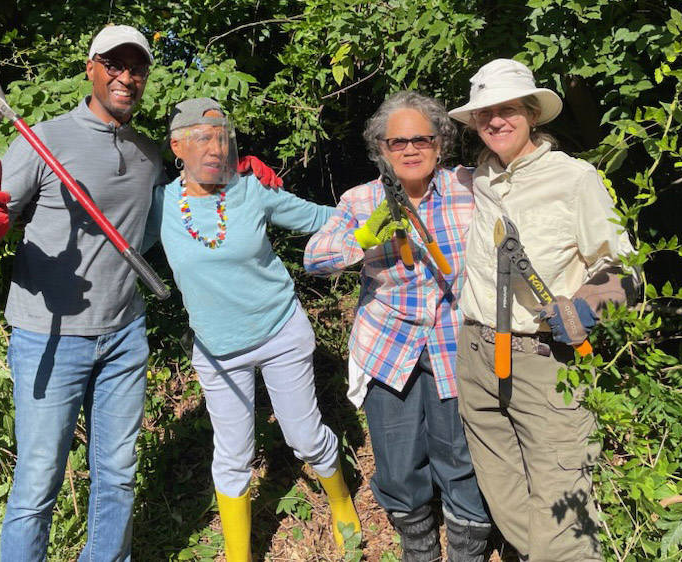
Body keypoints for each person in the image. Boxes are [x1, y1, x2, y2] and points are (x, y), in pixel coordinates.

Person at [0, 26, 278, 562]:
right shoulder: (41, 139)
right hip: (48, 336)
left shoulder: (149, 154)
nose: (126, 76)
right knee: (37, 485)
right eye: (114, 64)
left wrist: (239, 178)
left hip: (124, 335)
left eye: (137, 67)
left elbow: (181, 208)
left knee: (117, 477)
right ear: (91, 68)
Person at [142, 97, 361, 561]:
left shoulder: (249, 190)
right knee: (233, 455)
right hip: (218, 351)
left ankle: (341, 501)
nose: (215, 148)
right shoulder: (159, 206)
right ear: (177, 145)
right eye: (203, 138)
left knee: (304, 436)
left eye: (222, 138)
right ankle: (240, 555)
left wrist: (373, 216)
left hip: (281, 332)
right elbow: (113, 242)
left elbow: (319, 218)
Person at [448, 58, 638, 562]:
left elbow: (627, 268)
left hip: (545, 359)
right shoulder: (477, 180)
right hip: (476, 356)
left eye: (507, 109)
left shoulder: (576, 180)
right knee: (505, 494)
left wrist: (586, 305)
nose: (495, 121)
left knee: (563, 511)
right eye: (484, 113)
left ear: (533, 113)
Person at [304, 91, 491, 562]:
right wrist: (364, 238)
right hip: (388, 346)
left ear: (440, 144)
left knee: (459, 455)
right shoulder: (361, 198)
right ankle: (419, 547)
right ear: (381, 149)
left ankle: (468, 548)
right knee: (397, 457)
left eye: (421, 139)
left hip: (455, 343)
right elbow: (315, 258)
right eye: (397, 142)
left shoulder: (469, 187)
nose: (410, 149)